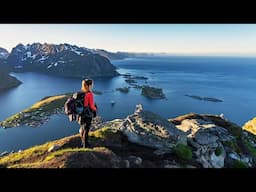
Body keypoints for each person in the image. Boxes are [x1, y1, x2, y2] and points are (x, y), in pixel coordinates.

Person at [79, 79, 97, 148]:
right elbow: (92, 106)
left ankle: (83, 143)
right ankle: (85, 145)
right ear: (89, 85)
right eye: (92, 84)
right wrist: (95, 110)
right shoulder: (90, 94)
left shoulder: (82, 92)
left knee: (83, 128)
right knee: (86, 129)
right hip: (87, 114)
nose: (92, 85)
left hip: (81, 114)